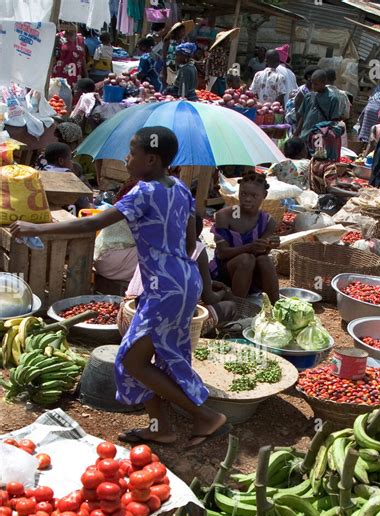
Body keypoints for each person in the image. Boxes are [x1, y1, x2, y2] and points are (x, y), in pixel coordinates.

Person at [11, 127, 229, 448]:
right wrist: (205, 290)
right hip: (182, 282)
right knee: (156, 359)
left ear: (151, 159)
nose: (126, 159)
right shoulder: (180, 189)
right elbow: (192, 243)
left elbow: (92, 223)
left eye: (131, 152)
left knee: (131, 360)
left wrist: (37, 228)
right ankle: (160, 426)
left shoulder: (143, 192)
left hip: (162, 287)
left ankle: (206, 416)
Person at [212, 172, 280, 304]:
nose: (247, 199)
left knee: (265, 260)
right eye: (243, 194)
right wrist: (249, 247)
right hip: (225, 274)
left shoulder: (268, 221)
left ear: (264, 196)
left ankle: (276, 306)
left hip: (252, 278)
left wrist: (268, 245)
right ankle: (237, 308)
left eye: (254, 195)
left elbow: (261, 253)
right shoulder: (224, 216)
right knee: (246, 259)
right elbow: (222, 253)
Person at [294, 70, 342, 160]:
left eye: (316, 84)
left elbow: (334, 121)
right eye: (312, 83)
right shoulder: (309, 96)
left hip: (320, 138)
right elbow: (303, 117)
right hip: (305, 136)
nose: (313, 86)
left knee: (316, 163)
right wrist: (296, 133)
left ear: (324, 83)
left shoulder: (332, 99)